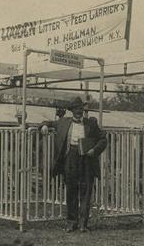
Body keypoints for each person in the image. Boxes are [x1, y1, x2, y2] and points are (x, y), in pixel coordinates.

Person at [40, 97, 107, 232]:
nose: (79, 111)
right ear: (72, 111)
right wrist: (44, 126)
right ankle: (71, 222)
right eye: (76, 109)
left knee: (86, 191)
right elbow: (48, 122)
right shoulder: (64, 122)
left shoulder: (91, 124)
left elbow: (103, 139)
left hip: (87, 159)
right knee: (71, 190)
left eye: (81, 109)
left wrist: (94, 151)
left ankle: (83, 224)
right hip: (70, 158)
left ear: (83, 110)